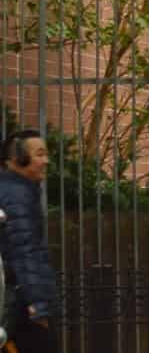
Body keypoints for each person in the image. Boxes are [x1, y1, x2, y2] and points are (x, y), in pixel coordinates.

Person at [0, 130, 56, 353]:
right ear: (17, 159)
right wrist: (38, 305)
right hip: (20, 303)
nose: (46, 161)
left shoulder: (16, 190)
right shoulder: (16, 195)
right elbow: (24, 251)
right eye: (39, 154)